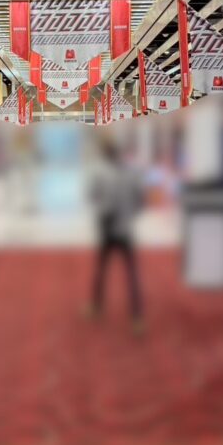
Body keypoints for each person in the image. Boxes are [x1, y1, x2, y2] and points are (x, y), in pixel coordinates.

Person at [89, 139, 146, 333]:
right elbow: (140, 199)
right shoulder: (131, 173)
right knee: (127, 273)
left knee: (106, 269)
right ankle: (136, 316)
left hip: (111, 226)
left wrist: (104, 212)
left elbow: (92, 196)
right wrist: (130, 215)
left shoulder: (101, 173)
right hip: (122, 228)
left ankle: (97, 306)